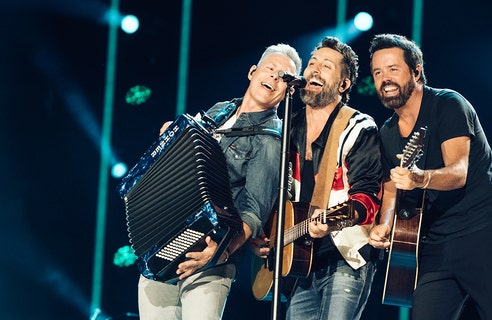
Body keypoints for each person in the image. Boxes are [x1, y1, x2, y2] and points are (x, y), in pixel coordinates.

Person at [137, 43, 303, 320]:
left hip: (209, 259)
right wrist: (171, 137)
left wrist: (220, 252)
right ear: (253, 72)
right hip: (165, 244)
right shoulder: (219, 111)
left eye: (283, 77)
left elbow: (253, 210)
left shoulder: (272, 141)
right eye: (270, 69)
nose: (274, 77)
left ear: (289, 91)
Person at [367, 33, 492, 320]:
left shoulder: (448, 104)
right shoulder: (387, 132)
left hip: (483, 231)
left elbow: (458, 172)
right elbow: (389, 187)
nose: (384, 79)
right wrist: (384, 224)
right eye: (377, 72)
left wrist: (419, 179)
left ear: (416, 70)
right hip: (434, 243)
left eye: (393, 69)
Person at [250, 36, 383, 320]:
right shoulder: (287, 127)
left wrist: (334, 219)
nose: (314, 70)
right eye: (312, 63)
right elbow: (271, 191)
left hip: (344, 255)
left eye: (326, 66)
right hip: (299, 262)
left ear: (343, 84)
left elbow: (368, 197)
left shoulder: (358, 128)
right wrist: (265, 234)